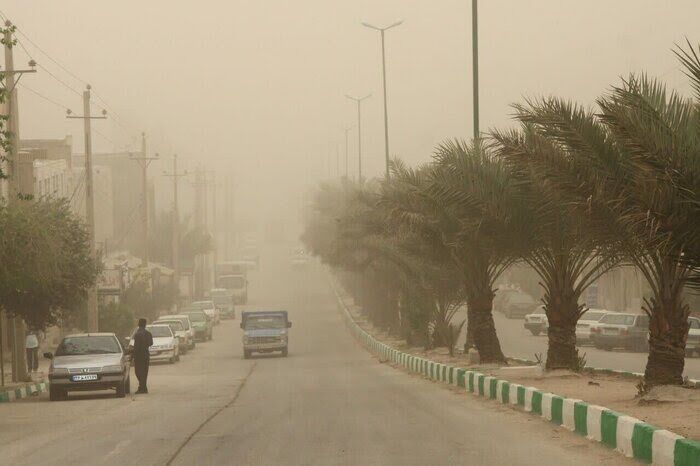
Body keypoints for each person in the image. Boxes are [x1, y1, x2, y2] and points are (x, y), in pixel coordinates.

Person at [131, 318, 153, 394]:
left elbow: (136, 347)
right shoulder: (148, 333)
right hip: (146, 355)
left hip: (139, 356)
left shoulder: (137, 334)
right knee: (144, 372)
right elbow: (151, 343)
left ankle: (142, 387)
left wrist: (133, 356)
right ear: (145, 324)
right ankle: (143, 387)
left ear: (139, 324)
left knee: (138, 372)